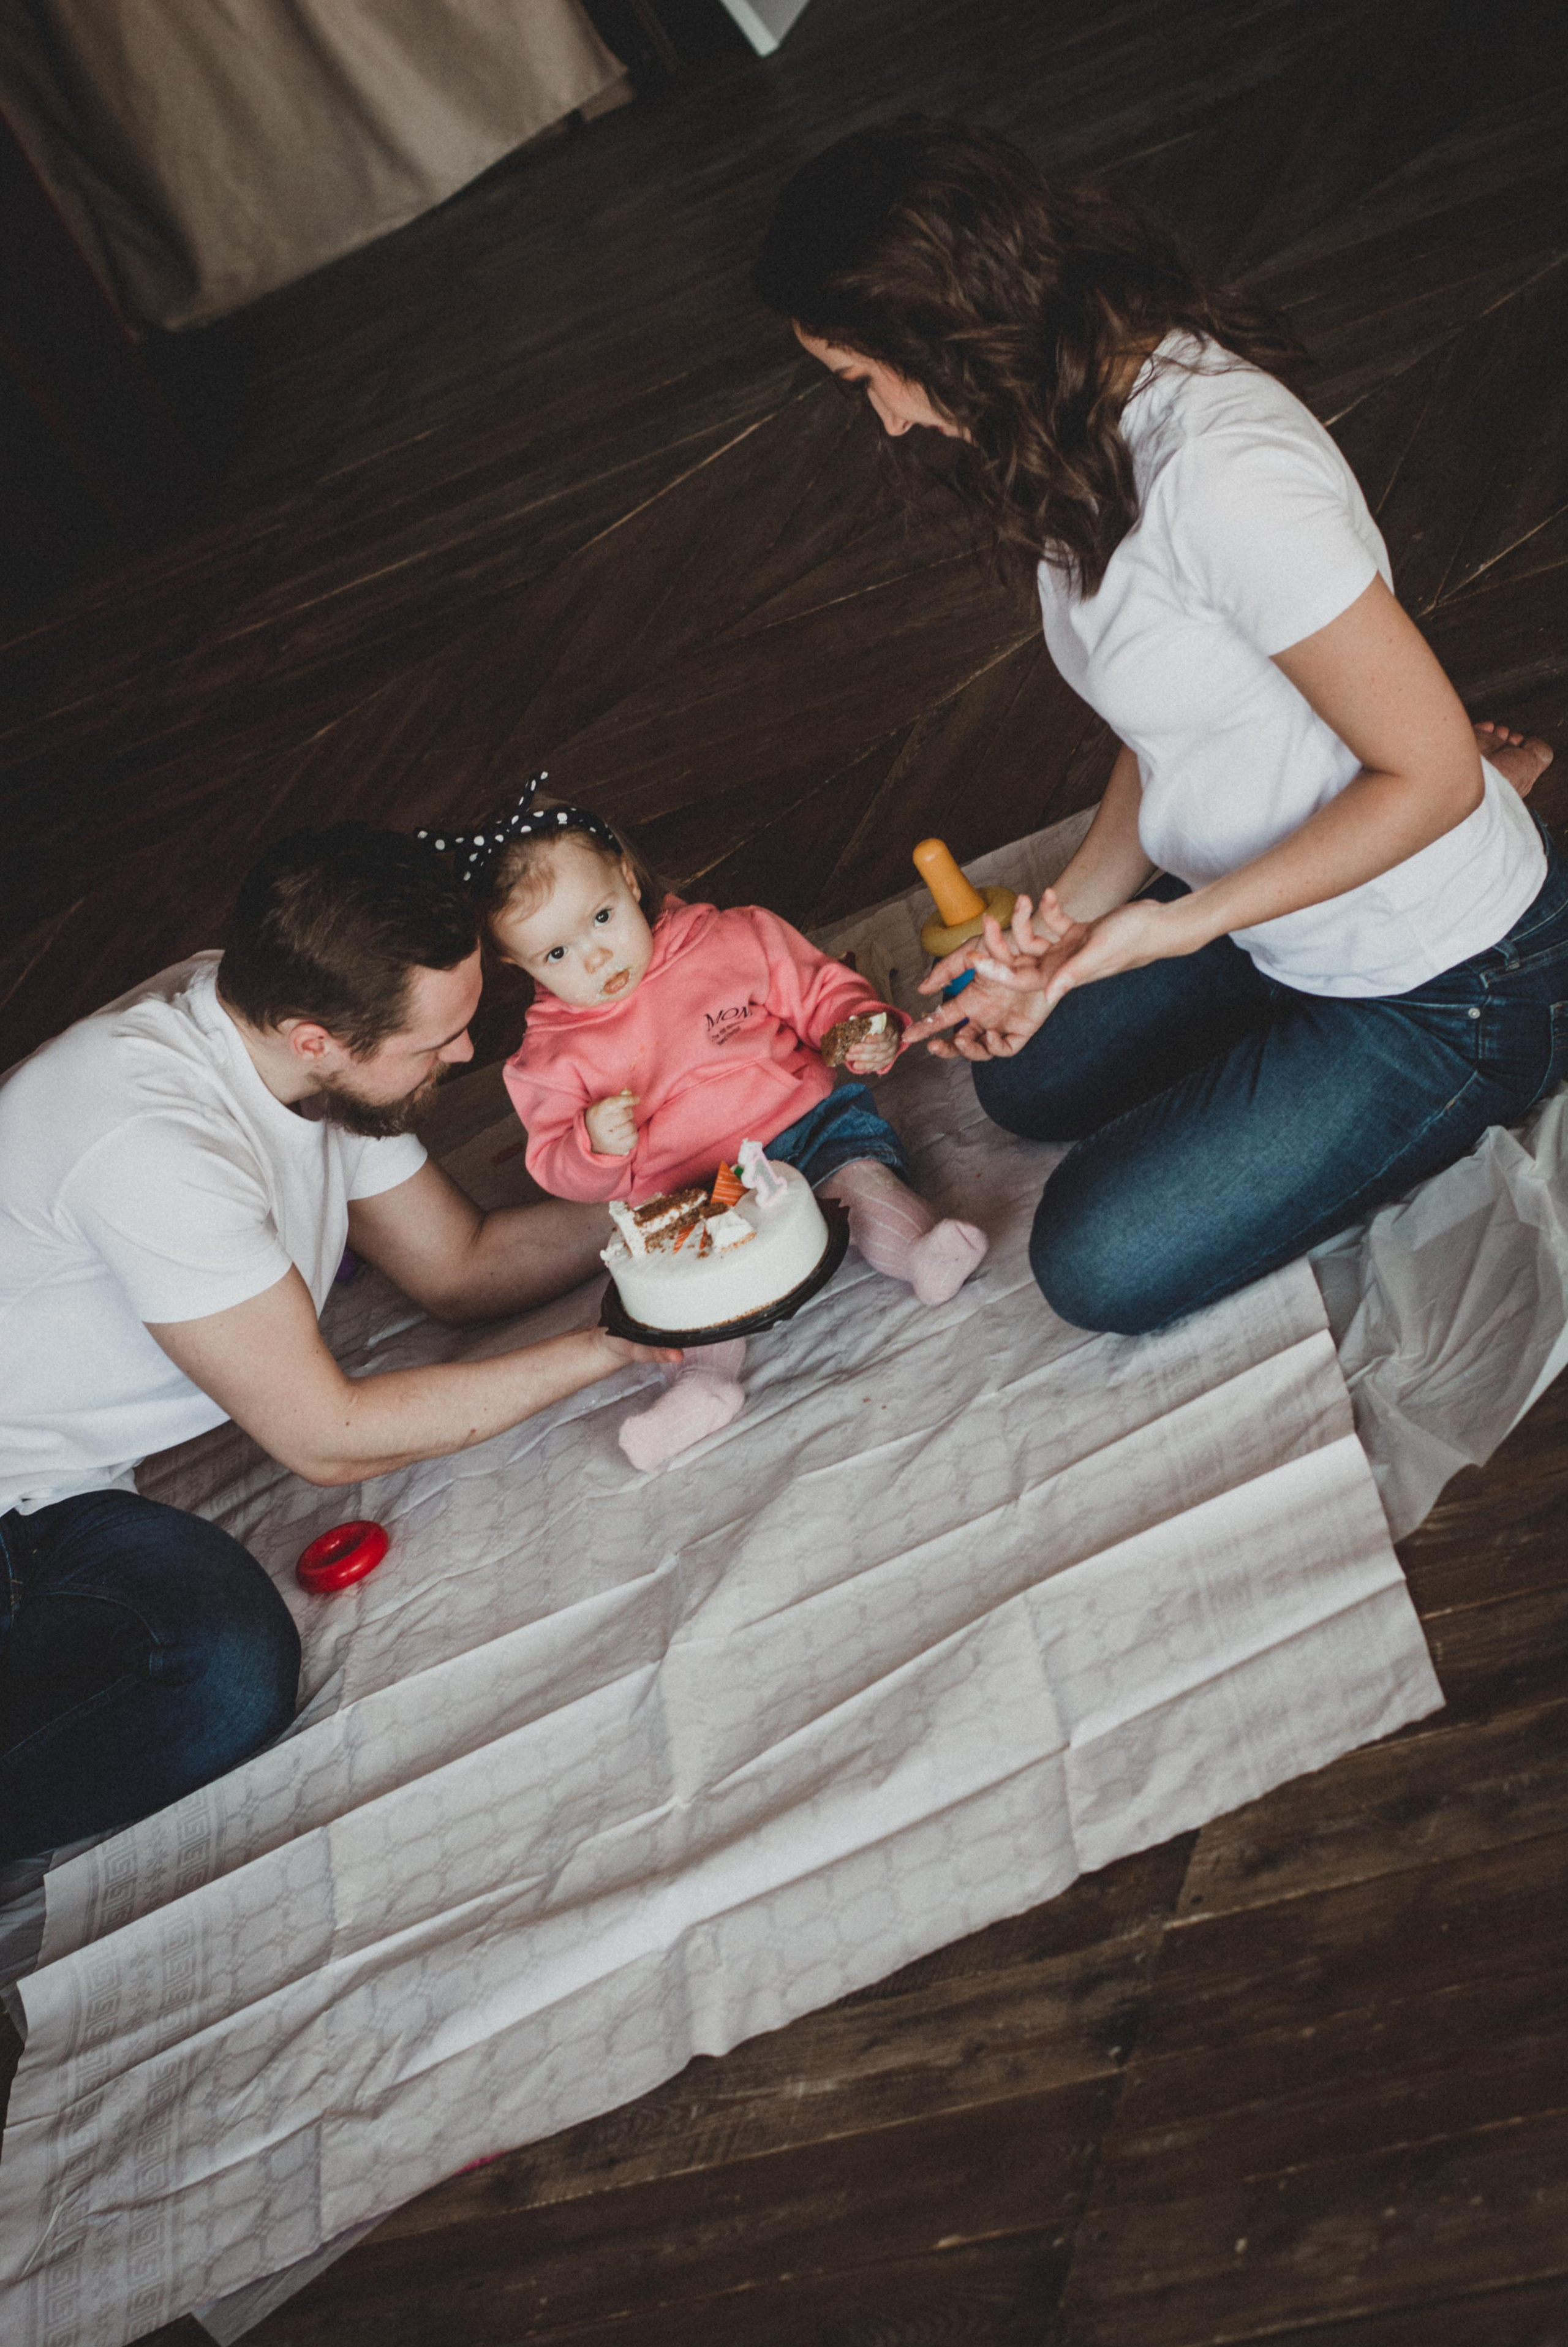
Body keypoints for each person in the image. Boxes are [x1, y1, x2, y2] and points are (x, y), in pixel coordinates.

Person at [754, 117, 1564, 1334]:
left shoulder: (1218, 474)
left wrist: (1174, 928)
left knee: (1098, 1261)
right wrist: (1067, 924)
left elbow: (1434, 775)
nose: (883, 423)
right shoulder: (1067, 423)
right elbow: (1164, 722)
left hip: (1440, 977)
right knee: (1019, 1072)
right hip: (1276, 919)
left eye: (863, 380)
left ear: (940, 335)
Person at [0, 825, 676, 1865]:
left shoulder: (284, 1032)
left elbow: (459, 1266)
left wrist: (679, 1189)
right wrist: (616, 1342)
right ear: (318, 1037)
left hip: (61, 1484)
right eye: (435, 1043)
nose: (464, 1056)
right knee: (215, 1670)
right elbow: (327, 1437)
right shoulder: (151, 1142)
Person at [417, 777, 987, 1469]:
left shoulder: (732, 936)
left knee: (863, 1186)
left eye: (601, 918)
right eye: (556, 955)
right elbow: (553, 1164)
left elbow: (818, 990)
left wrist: (854, 1024)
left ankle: (922, 1247)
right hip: (694, 1191)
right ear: (514, 962)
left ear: (626, 877)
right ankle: (701, 1387)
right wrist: (593, 1145)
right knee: (692, 1300)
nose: (595, 958)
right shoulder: (548, 1056)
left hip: (807, 1126)